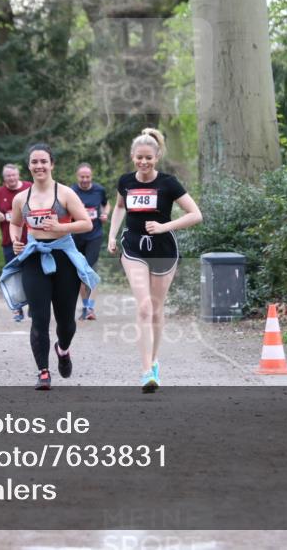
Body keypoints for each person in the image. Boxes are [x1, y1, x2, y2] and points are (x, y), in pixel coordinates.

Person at [107, 129, 202, 392]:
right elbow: (119, 207)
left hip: (163, 248)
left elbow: (195, 214)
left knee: (157, 308)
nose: (143, 162)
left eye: (148, 157)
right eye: (139, 157)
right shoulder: (125, 181)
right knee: (145, 307)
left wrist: (163, 226)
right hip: (134, 247)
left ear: (157, 157)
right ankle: (146, 370)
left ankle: (155, 360)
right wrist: (112, 235)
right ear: (132, 157)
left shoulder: (169, 183)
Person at [0, 143, 98, 390]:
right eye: (34, 162)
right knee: (39, 318)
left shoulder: (65, 193)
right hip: (34, 258)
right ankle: (43, 372)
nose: (39, 166)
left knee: (66, 323)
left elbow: (86, 223)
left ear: (52, 164)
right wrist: (16, 240)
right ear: (29, 166)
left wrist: (60, 227)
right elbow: (15, 223)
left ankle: (63, 349)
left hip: (63, 258)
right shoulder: (21, 198)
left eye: (44, 161)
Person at [0, 163, 32, 322]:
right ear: (4, 177)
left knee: (32, 273)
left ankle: (34, 305)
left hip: (32, 240)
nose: (11, 178)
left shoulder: (29, 187)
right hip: (10, 242)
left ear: (18, 175)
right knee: (14, 275)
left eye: (14, 175)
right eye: (8, 176)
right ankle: (17, 309)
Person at [71, 163, 109, 320]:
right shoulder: (71, 192)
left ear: (91, 176)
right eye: (82, 177)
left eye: (87, 177)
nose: (85, 179)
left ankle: (90, 308)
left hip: (94, 236)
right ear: (77, 176)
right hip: (76, 236)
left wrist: (105, 214)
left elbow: (106, 204)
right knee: (80, 273)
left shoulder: (99, 190)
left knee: (90, 270)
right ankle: (86, 306)